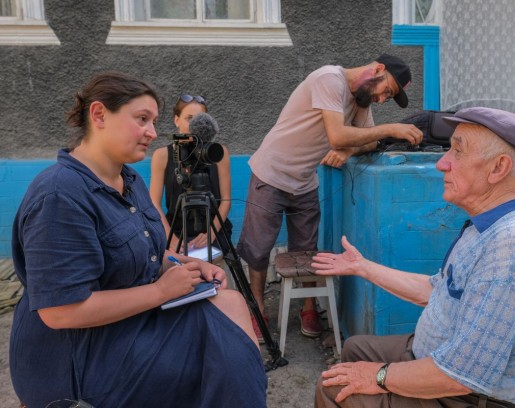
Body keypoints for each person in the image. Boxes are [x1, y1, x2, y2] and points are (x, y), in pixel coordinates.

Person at [10, 72, 267, 408]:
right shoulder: (59, 195)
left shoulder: (129, 180)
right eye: (142, 119)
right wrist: (160, 291)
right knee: (226, 352)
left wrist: (184, 264)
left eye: (154, 121)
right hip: (79, 359)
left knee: (231, 304)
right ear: (99, 115)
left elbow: (148, 253)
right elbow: (61, 312)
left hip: (129, 323)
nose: (153, 132)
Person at [312, 107, 515, 408]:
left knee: (331, 388)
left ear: (498, 168)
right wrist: (363, 267)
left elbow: (463, 374)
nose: (441, 163)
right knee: (355, 348)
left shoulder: (514, 246)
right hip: (441, 359)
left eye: (457, 151)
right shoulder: (491, 225)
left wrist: (379, 376)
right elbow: (435, 290)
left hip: (469, 396)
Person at [237, 54, 424, 343]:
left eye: (387, 97)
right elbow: (337, 136)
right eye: (386, 91)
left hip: (304, 180)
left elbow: (369, 141)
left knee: (307, 249)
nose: (382, 99)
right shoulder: (329, 79)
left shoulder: (361, 99)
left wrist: (349, 151)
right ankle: (258, 308)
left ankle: (308, 307)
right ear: (378, 69)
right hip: (271, 173)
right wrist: (391, 128)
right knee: (258, 248)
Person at [149, 93, 233, 256]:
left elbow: (226, 200)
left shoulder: (218, 153)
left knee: (210, 265)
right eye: (189, 118)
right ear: (176, 120)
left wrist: (211, 232)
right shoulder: (161, 155)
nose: (195, 125)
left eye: (200, 119)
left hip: (214, 226)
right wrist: (170, 237)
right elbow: (154, 203)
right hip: (176, 229)